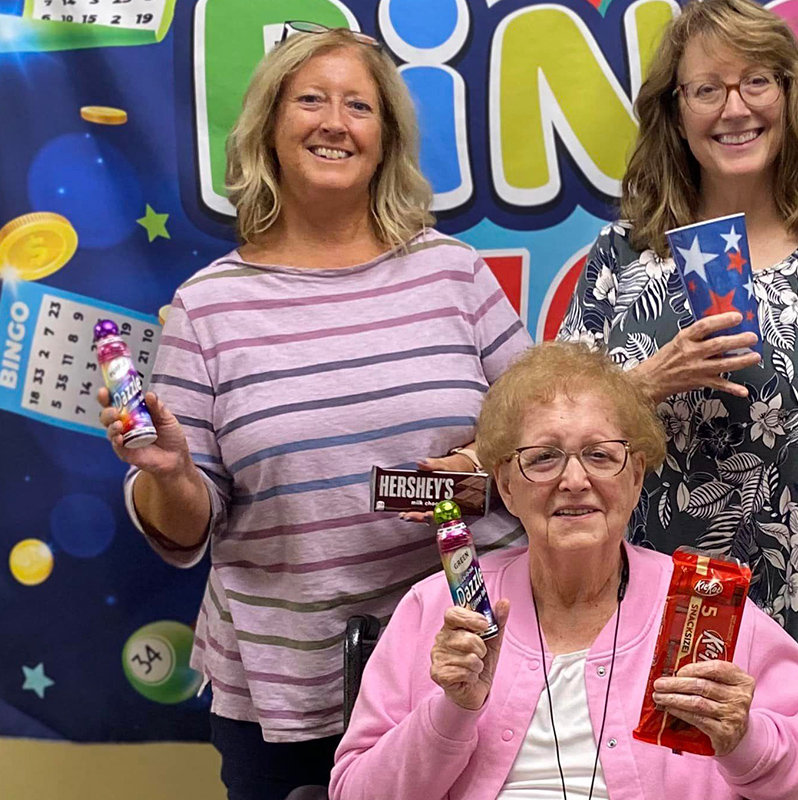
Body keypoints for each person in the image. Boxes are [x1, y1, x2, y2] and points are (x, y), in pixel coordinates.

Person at [96, 24, 529, 800]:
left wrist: (479, 470)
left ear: (385, 138)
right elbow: (187, 525)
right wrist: (169, 473)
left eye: (359, 105)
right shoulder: (208, 307)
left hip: (469, 652)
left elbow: (539, 431)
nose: (335, 121)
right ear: (268, 127)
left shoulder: (452, 272)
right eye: (311, 100)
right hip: (290, 691)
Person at [556, 1, 798, 796]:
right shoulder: (622, 261)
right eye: (706, 89)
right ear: (676, 112)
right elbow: (552, 440)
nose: (735, 108)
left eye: (756, 82)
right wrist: (645, 384)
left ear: (791, 97)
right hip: (666, 640)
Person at [330, 343, 798, 800]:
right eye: (542, 458)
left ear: (636, 476)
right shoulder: (439, 608)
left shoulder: (698, 604)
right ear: (508, 485)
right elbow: (353, 790)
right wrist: (452, 708)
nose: (573, 480)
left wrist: (747, 737)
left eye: (600, 455)